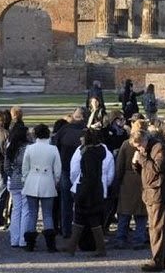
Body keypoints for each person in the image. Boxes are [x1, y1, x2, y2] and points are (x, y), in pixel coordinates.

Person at [131, 128, 165, 272]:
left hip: (159, 192)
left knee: (156, 227)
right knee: (154, 227)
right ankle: (158, 260)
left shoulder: (159, 147)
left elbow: (158, 168)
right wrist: (135, 163)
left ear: (145, 140)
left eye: (139, 146)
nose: (139, 149)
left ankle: (157, 261)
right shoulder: (145, 150)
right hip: (150, 192)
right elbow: (144, 172)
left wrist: (142, 159)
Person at [67, 128, 115, 257]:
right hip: (97, 191)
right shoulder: (101, 152)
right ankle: (100, 248)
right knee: (94, 221)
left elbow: (87, 176)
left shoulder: (88, 154)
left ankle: (72, 247)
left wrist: (81, 194)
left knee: (78, 219)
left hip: (87, 191)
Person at [22, 124, 62, 252]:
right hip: (47, 181)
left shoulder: (30, 148)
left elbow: (25, 168)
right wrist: (55, 181)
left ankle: (29, 244)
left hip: (32, 181)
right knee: (47, 214)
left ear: (35, 135)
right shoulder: (53, 149)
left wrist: (25, 180)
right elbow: (58, 169)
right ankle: (50, 245)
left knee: (32, 213)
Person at [51, 107, 87, 239]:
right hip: (82, 171)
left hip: (65, 169)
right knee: (81, 202)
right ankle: (81, 230)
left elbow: (55, 147)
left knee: (65, 202)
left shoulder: (63, 130)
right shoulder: (86, 132)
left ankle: (66, 230)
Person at [114, 119, 149, 250]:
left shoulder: (125, 144)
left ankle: (121, 238)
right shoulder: (147, 143)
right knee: (141, 213)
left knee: (124, 212)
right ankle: (139, 239)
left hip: (127, 180)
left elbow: (120, 165)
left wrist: (117, 182)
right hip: (142, 180)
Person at [4, 125, 30, 248]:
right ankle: (23, 239)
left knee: (15, 211)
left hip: (14, 181)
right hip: (25, 181)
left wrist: (13, 175)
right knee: (26, 210)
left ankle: (14, 239)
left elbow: (6, 167)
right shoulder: (28, 148)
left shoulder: (10, 148)